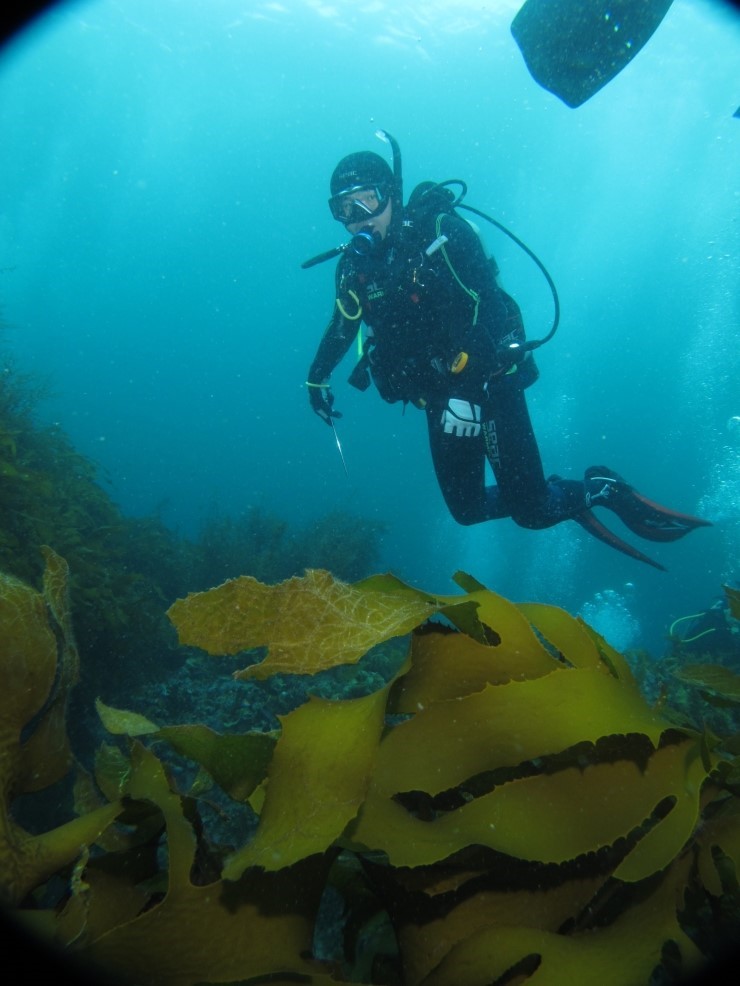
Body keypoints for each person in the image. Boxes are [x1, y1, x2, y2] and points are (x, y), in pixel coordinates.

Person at [305, 137, 710, 570]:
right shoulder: (354, 267)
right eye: (343, 209)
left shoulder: (440, 231)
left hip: (491, 383)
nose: (355, 221)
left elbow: (488, 307)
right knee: (467, 510)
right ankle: (543, 491)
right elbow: (344, 321)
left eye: (366, 202)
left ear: (392, 193)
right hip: (440, 399)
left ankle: (601, 488)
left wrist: (469, 386)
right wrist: (317, 376)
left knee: (532, 514)